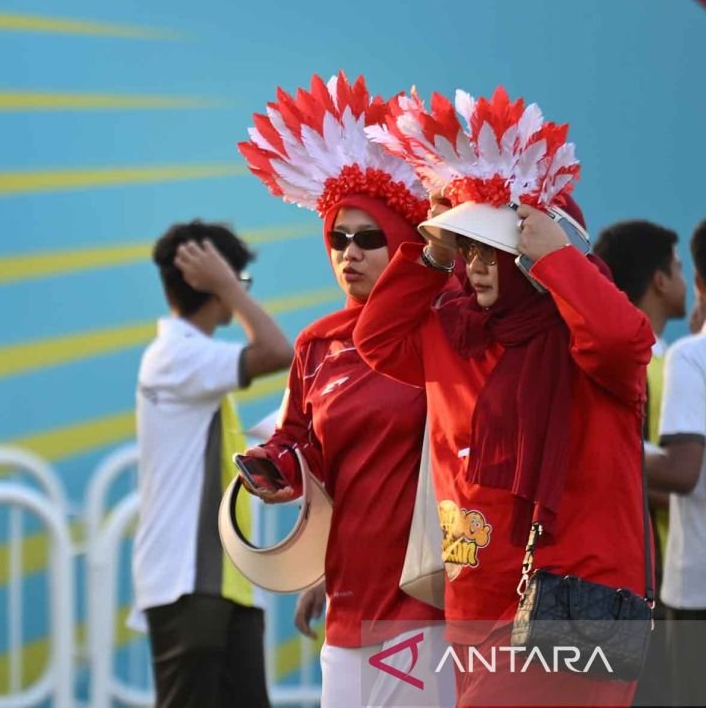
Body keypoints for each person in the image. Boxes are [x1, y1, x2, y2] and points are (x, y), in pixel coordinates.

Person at [356, 87, 651, 706]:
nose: (479, 265)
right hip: (476, 606)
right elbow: (377, 340)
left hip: (572, 603)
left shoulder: (585, 342)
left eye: (496, 248)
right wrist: (433, 251)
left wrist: (557, 258)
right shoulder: (455, 332)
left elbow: (624, 340)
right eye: (470, 248)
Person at [237, 72, 453, 708]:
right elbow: (300, 442)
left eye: (368, 238)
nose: (348, 253)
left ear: (407, 244)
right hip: (346, 603)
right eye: (337, 238)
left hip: (425, 605)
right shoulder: (316, 343)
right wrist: (276, 466)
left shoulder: (444, 331)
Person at [130, 219, 293, 708]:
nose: (239, 293)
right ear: (213, 284)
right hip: (190, 583)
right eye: (238, 281)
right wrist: (229, 284)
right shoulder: (176, 356)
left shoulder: (189, 359)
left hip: (222, 583)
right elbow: (276, 351)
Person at [594, 220, 687, 706]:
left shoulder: (656, 362)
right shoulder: (653, 366)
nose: (685, 280)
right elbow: (647, 472)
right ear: (660, 281)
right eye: (678, 268)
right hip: (654, 578)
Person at [646, 218, 706, 707]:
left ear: (701, 284)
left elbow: (683, 473)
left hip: (696, 590)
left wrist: (603, 445)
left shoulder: (691, 356)